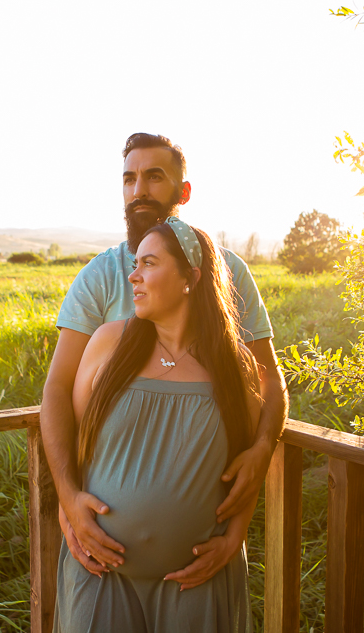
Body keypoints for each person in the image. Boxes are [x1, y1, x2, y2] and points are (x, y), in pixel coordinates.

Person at [40, 133, 287, 577]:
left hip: (202, 556)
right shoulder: (100, 277)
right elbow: (57, 389)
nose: (139, 191)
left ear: (183, 191)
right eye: (129, 179)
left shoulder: (227, 273)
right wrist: (68, 493)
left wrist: (264, 449)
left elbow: (269, 381)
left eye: (154, 177)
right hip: (105, 559)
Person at [53, 218, 260, 632]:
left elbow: (247, 463)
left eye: (149, 263)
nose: (134, 275)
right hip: (100, 572)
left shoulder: (233, 364)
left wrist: (234, 536)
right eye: (134, 263)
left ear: (190, 278)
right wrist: (68, 506)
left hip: (194, 581)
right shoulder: (109, 342)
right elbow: (77, 441)